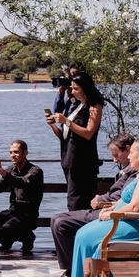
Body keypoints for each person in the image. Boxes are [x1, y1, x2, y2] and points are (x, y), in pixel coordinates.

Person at [68, 135, 139, 277]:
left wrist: (112, 214)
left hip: (138, 223)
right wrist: (112, 206)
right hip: (127, 219)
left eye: (132, 153)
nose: (128, 156)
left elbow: (136, 207)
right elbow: (126, 199)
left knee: (87, 237)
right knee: (82, 233)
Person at [48, 133, 136, 277]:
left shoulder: (136, 172)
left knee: (61, 223)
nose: (114, 160)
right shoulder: (130, 169)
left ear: (128, 150)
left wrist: (101, 200)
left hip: (113, 215)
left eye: (116, 155)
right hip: (108, 209)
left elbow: (124, 195)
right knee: (56, 218)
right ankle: (71, 269)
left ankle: (72, 271)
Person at [46, 72, 104, 211]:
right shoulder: (76, 106)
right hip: (68, 159)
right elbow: (64, 136)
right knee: (73, 200)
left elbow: (89, 133)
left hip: (82, 162)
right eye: (72, 88)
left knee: (78, 202)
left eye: (76, 89)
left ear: (86, 89)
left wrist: (66, 121)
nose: (72, 92)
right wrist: (53, 124)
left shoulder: (94, 107)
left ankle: (78, 229)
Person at [0, 140, 43, 255]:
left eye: (16, 152)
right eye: (10, 152)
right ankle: (7, 241)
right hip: (12, 213)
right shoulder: (11, 169)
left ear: (25, 153)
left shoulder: (36, 171)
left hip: (27, 217)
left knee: (8, 228)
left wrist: (0, 170)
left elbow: (22, 182)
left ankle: (28, 238)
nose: (12, 155)